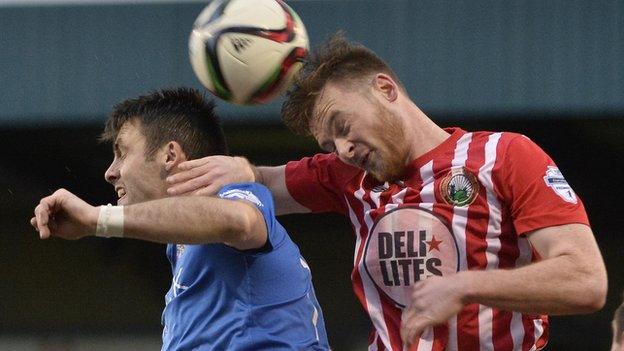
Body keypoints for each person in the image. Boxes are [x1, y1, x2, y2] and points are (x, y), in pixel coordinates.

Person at [166, 34, 608, 351]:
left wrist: (467, 286)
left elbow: (586, 281)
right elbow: (263, 184)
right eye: (329, 145)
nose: (344, 149)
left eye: (342, 127)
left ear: (385, 89)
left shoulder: (505, 155)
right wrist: (242, 169)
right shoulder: (346, 177)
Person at [30, 88, 330, 351]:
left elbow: (241, 222)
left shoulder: (233, 195)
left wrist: (99, 218)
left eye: (122, 153)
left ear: (170, 155)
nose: (110, 172)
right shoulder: (181, 247)